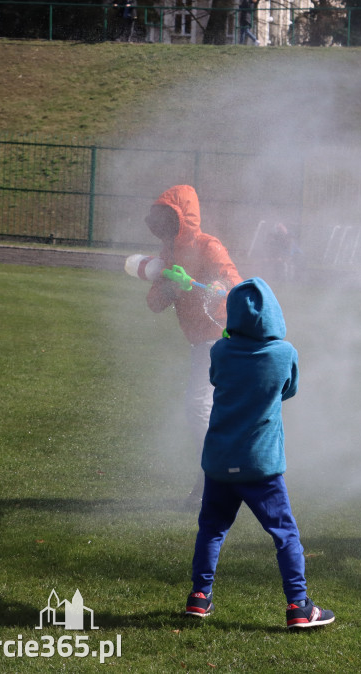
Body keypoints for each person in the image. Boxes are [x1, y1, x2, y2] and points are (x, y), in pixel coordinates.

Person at [184, 277, 335, 629]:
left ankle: (199, 597)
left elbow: (217, 378)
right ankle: (299, 605)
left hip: (219, 461)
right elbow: (288, 390)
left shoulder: (220, 351)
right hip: (260, 464)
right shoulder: (285, 353)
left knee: (211, 529)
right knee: (285, 534)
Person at [143, 185, 242, 506]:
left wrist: (218, 284)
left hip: (222, 334)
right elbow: (154, 302)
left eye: (170, 218)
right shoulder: (167, 256)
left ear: (183, 218)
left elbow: (235, 281)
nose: (164, 227)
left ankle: (219, 474)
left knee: (198, 406)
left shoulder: (207, 245)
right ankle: (214, 477)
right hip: (202, 341)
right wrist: (170, 289)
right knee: (212, 408)